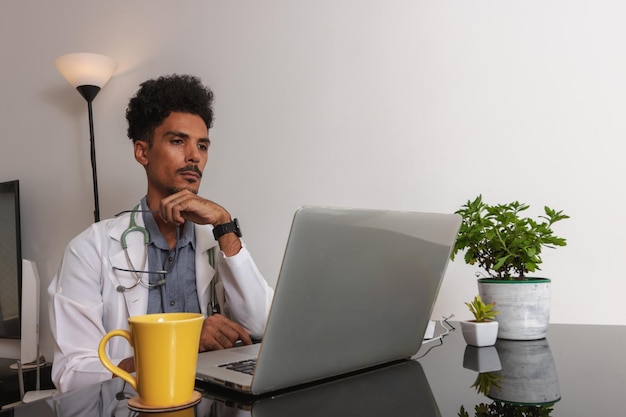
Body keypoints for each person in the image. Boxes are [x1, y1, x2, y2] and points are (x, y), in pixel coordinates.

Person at [48, 74, 274, 393]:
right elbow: (71, 373)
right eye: (177, 141)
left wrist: (224, 224)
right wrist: (177, 344)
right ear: (143, 152)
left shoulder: (217, 240)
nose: (194, 156)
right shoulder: (90, 249)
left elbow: (264, 326)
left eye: (202, 145)